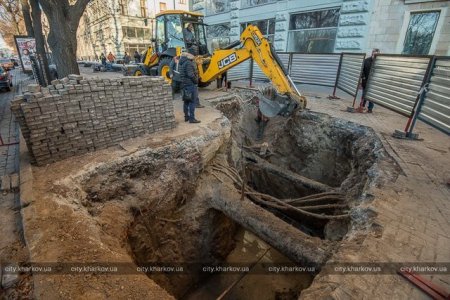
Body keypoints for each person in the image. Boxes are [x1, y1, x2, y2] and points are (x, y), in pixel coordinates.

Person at [179, 51, 200, 123]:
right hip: (190, 84)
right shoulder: (188, 63)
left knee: (186, 101)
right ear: (187, 56)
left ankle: (186, 117)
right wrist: (196, 81)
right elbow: (191, 75)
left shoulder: (181, 63)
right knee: (192, 102)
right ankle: (192, 118)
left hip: (184, 84)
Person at [360, 48, 380, 113]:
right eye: (375, 54)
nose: (376, 56)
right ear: (372, 53)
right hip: (365, 81)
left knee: (371, 96)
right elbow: (362, 70)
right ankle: (362, 106)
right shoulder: (366, 61)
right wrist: (363, 77)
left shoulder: (379, 62)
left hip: (374, 82)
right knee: (364, 94)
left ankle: (370, 109)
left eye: (377, 54)